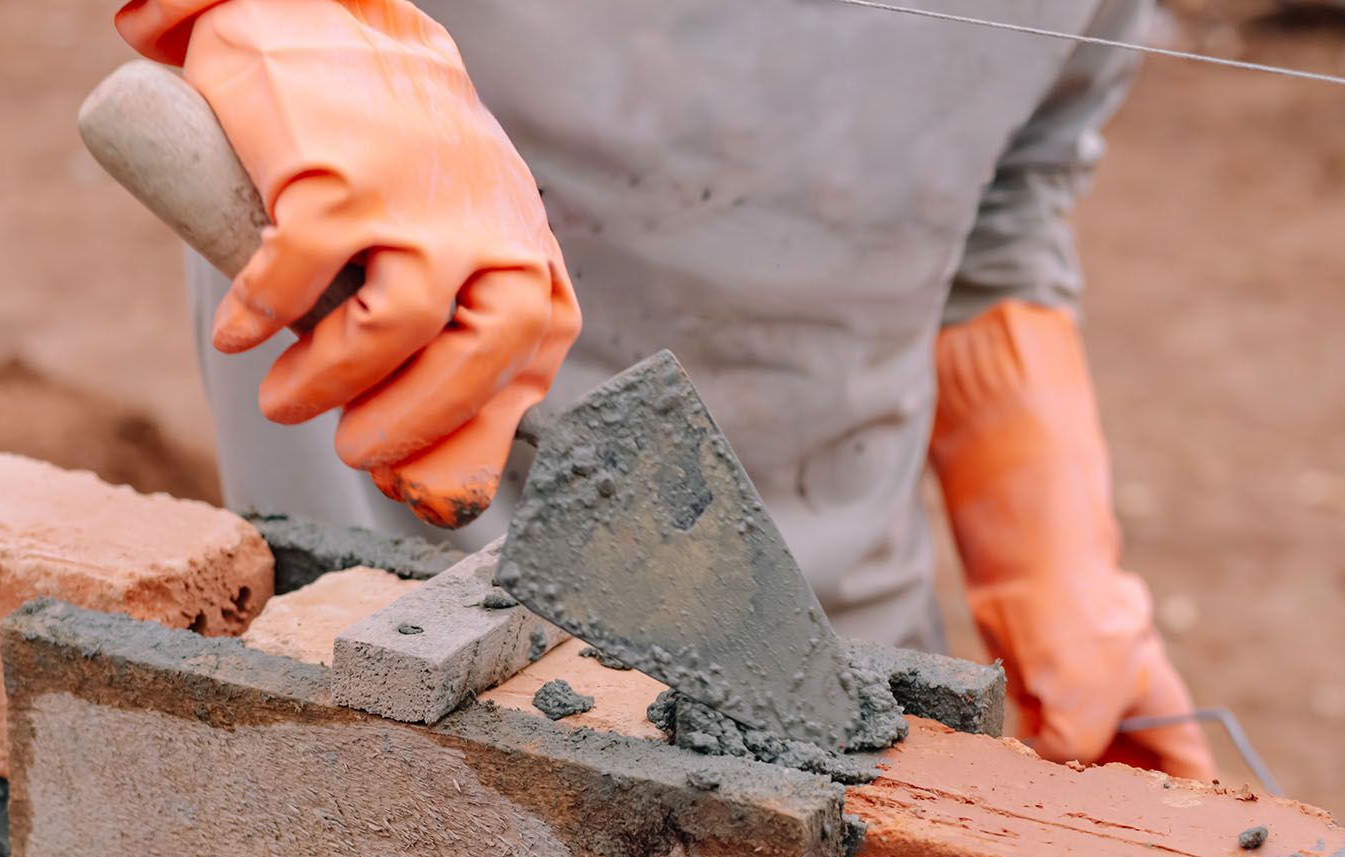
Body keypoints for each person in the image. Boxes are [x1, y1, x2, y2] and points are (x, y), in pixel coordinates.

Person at [114, 0, 1215, 777]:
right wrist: (327, 35)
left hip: (826, 635)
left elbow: (1010, 197)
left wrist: (1052, 559)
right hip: (416, 592)